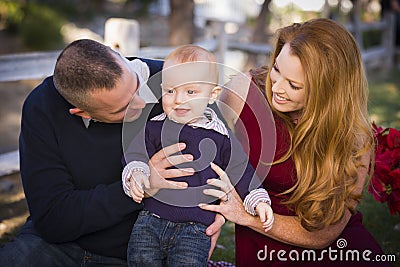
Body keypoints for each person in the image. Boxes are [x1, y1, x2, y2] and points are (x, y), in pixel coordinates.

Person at [0, 39, 225, 266]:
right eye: (124, 108)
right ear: (83, 113)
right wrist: (138, 187)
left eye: (136, 86)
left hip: (144, 248)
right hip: (61, 247)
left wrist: (219, 212)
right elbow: (53, 219)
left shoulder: (175, 82)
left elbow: (223, 155)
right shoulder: (43, 107)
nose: (140, 102)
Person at [200, 18, 393, 266]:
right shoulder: (243, 93)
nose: (277, 88)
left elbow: (325, 233)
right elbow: (203, 145)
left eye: (294, 85)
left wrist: (245, 217)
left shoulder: (355, 137)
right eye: (277, 69)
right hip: (265, 250)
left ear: (328, 90)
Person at [122, 45, 274, 267]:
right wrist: (136, 172)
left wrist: (257, 199)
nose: (178, 99)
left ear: (212, 95)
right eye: (170, 91)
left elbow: (241, 170)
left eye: (190, 92)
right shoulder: (154, 127)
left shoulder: (220, 136)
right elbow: (135, 153)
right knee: (140, 260)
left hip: (196, 226)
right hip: (151, 219)